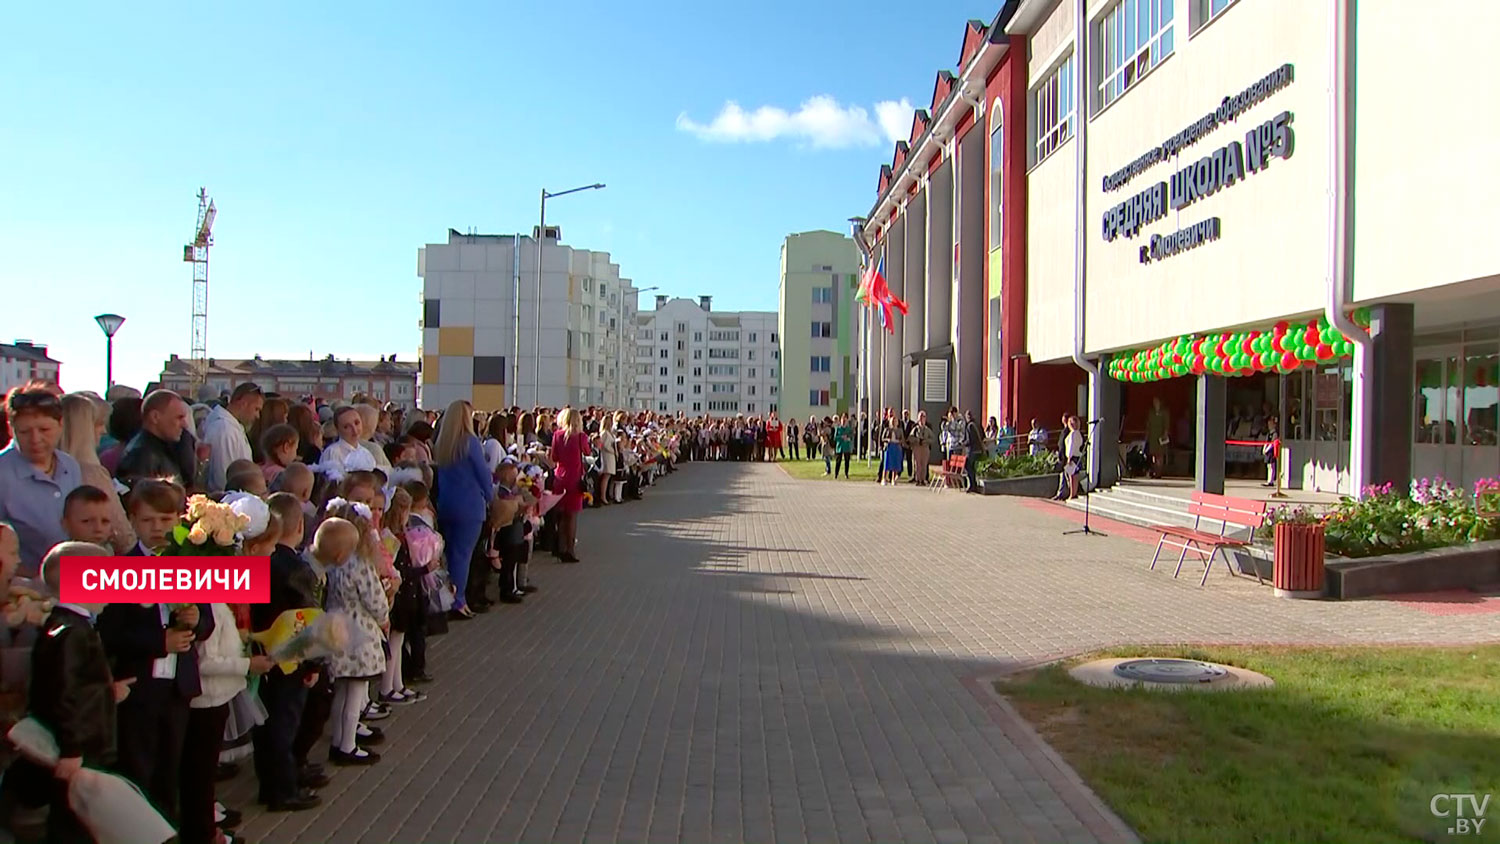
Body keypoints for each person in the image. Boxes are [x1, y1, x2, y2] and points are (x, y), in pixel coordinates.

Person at [28, 542, 120, 844]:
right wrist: (72, 748)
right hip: (77, 749)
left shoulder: (67, 626)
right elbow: (65, 692)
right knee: (72, 823)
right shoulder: (71, 632)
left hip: (80, 745)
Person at [97, 597, 215, 825]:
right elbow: (110, 634)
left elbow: (207, 624)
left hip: (177, 690)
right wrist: (159, 642)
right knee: (138, 771)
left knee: (170, 773)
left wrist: (198, 620)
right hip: (139, 691)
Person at [0, 385, 81, 575]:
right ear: (11, 430)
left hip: (72, 579)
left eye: (44, 429)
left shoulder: (70, 466)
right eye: (24, 432)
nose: (35, 439)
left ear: (61, 425)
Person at [433, 400, 491, 617]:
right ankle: (458, 601)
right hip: (470, 506)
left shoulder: (443, 443)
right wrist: (491, 496)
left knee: (450, 554)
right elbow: (483, 474)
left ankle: (446, 598)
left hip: (447, 503)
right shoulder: (470, 442)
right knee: (462, 556)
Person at [116, 389, 203, 491]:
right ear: (155, 417)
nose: (185, 424)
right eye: (179, 418)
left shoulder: (162, 448)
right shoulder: (141, 456)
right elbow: (148, 502)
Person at [202, 383, 263, 493]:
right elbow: (223, 478)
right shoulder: (224, 430)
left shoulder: (232, 427)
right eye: (256, 409)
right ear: (243, 403)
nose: (257, 416)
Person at [549, 407, 591, 563]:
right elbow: (587, 453)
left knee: (561, 515)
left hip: (560, 478)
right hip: (575, 479)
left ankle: (560, 548)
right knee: (572, 515)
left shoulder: (557, 436)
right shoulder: (581, 437)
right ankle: (570, 549)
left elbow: (554, 457)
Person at [1054, 415, 1085, 500]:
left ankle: (1072, 493)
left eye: (1072, 423)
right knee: (1074, 476)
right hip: (1077, 456)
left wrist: (1069, 458)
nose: (1071, 424)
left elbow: (1071, 446)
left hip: (1072, 457)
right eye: (1070, 422)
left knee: (1072, 477)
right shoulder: (1078, 433)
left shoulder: (1073, 434)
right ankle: (1073, 493)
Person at [1146, 397, 1169, 479]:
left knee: (1160, 454)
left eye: (1157, 401)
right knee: (1154, 454)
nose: (1155, 403)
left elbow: (1166, 424)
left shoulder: (1164, 412)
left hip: (1160, 436)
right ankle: (1155, 471)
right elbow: (1148, 424)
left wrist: (1165, 434)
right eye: (1154, 402)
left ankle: (1159, 472)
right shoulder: (1151, 412)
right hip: (1153, 436)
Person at [911, 410, 936, 485]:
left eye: (923, 417)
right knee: (918, 464)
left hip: (925, 448)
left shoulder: (927, 429)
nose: (922, 419)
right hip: (917, 448)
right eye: (920, 417)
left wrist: (926, 441)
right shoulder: (915, 429)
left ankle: (923, 479)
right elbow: (910, 438)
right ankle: (918, 479)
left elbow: (933, 438)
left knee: (924, 464)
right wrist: (917, 440)